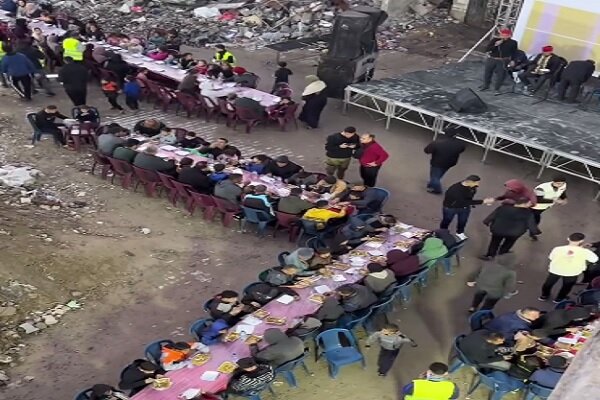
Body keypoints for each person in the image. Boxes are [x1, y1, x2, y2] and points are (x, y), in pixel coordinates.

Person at [539, 232, 599, 303]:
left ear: (568, 239)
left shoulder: (557, 249)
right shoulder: (585, 252)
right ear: (581, 241)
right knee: (567, 286)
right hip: (572, 272)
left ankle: (544, 296)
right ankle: (559, 298)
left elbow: (551, 257)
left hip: (556, 269)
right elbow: (594, 259)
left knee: (549, 283)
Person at [440, 175, 493, 240]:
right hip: (451, 208)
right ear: (470, 182)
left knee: (463, 221)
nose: (478, 184)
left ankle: (460, 232)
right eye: (476, 182)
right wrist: (483, 201)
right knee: (446, 221)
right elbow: (463, 201)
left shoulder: (472, 187)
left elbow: (469, 199)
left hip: (464, 207)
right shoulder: (455, 189)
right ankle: (442, 232)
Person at [424, 128, 466, 194]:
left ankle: (437, 189)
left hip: (437, 162)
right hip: (450, 162)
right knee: (440, 173)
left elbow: (427, 151)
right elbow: (462, 150)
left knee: (434, 176)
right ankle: (432, 183)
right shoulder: (460, 144)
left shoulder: (437, 143)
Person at [530, 175, 567, 240]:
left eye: (562, 183)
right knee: (535, 219)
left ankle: (532, 230)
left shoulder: (563, 185)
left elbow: (562, 192)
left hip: (545, 207)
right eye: (558, 183)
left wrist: (564, 198)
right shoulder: (541, 188)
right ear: (553, 182)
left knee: (534, 218)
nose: (560, 185)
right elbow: (537, 199)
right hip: (535, 207)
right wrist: (554, 200)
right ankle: (532, 232)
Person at [480, 28, 518, 93]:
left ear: (509, 35)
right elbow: (487, 49)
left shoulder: (513, 43)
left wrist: (513, 60)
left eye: (505, 35)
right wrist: (495, 45)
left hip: (503, 60)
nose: (502, 36)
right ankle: (486, 85)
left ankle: (497, 88)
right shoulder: (495, 40)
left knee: (501, 75)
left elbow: (514, 52)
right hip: (492, 58)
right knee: (487, 73)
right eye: (501, 34)